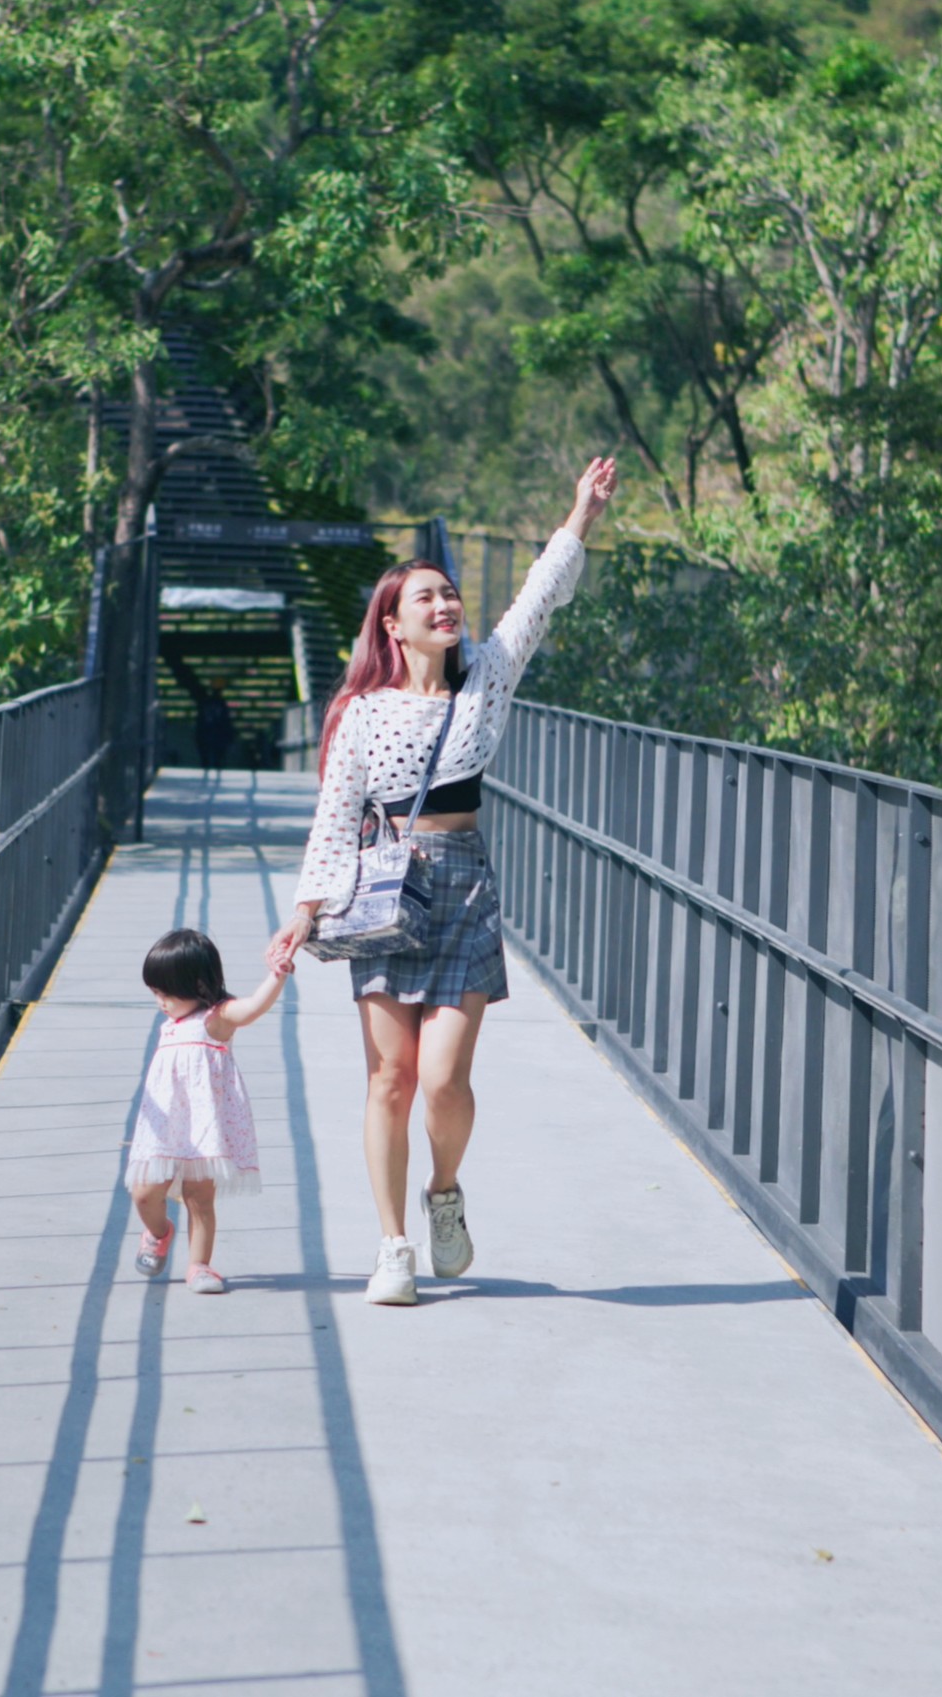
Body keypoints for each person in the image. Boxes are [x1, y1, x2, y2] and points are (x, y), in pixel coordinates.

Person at [265, 456, 620, 1305]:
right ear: (393, 624)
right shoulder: (360, 711)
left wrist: (582, 515)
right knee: (388, 1076)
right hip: (384, 887)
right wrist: (306, 909)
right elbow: (335, 813)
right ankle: (393, 1246)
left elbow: (536, 599)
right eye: (426, 597)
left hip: (461, 884)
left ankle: (443, 1192)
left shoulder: (487, 677)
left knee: (443, 1079)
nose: (445, 604)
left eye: (449, 593)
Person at [128, 927, 290, 1293]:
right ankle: (159, 1231)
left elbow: (253, 1007)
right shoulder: (172, 1023)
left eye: (167, 994)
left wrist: (276, 976)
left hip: (204, 1126)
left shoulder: (216, 1017)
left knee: (200, 1197)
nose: (161, 1003)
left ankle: (199, 1266)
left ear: (197, 986)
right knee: (143, 1192)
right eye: (156, 994)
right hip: (165, 1125)